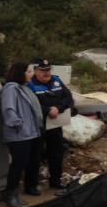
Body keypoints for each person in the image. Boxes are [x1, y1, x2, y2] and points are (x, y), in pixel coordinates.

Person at [0, 62, 43, 207]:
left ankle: (13, 193)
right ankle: (9, 194)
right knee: (17, 165)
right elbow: (8, 110)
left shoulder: (20, 88)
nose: (32, 74)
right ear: (21, 72)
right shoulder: (10, 89)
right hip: (17, 135)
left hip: (24, 134)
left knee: (21, 164)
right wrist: (19, 125)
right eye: (29, 71)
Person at [27, 58, 73, 190]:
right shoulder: (30, 84)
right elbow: (30, 104)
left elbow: (68, 98)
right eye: (42, 71)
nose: (46, 73)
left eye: (48, 70)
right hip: (37, 126)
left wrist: (58, 109)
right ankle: (31, 185)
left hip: (55, 124)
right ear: (36, 71)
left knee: (56, 153)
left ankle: (55, 181)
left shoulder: (57, 80)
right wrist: (47, 111)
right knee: (35, 156)